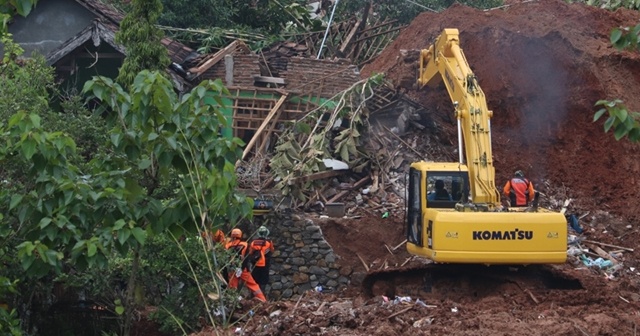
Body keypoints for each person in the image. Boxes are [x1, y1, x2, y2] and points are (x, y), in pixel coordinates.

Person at [224, 228, 267, 302]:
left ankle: (232, 303)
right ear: (240, 235)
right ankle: (263, 300)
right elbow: (246, 258)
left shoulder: (227, 246)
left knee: (232, 287)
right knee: (252, 285)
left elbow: (225, 259)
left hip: (232, 269)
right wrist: (241, 268)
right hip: (243, 270)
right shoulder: (245, 244)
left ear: (231, 235)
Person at [249, 226, 275, 294]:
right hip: (264, 265)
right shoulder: (268, 242)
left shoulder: (253, 242)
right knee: (263, 282)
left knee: (255, 281)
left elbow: (250, 253)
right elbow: (272, 250)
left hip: (255, 264)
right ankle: (262, 295)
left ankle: (254, 296)